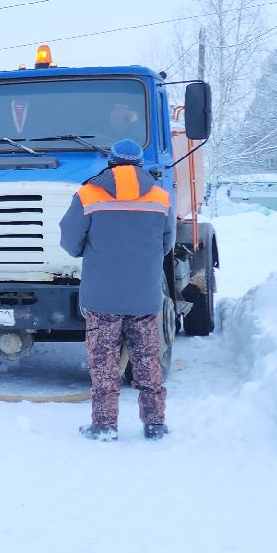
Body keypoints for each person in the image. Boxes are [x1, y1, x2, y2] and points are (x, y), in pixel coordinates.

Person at [59, 138, 174, 441]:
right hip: (144, 297)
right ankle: (155, 424)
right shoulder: (161, 197)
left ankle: (105, 425)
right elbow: (167, 245)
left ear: (110, 162)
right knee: (147, 359)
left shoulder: (88, 194)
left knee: (104, 363)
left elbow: (70, 244)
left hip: (101, 297)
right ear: (139, 163)